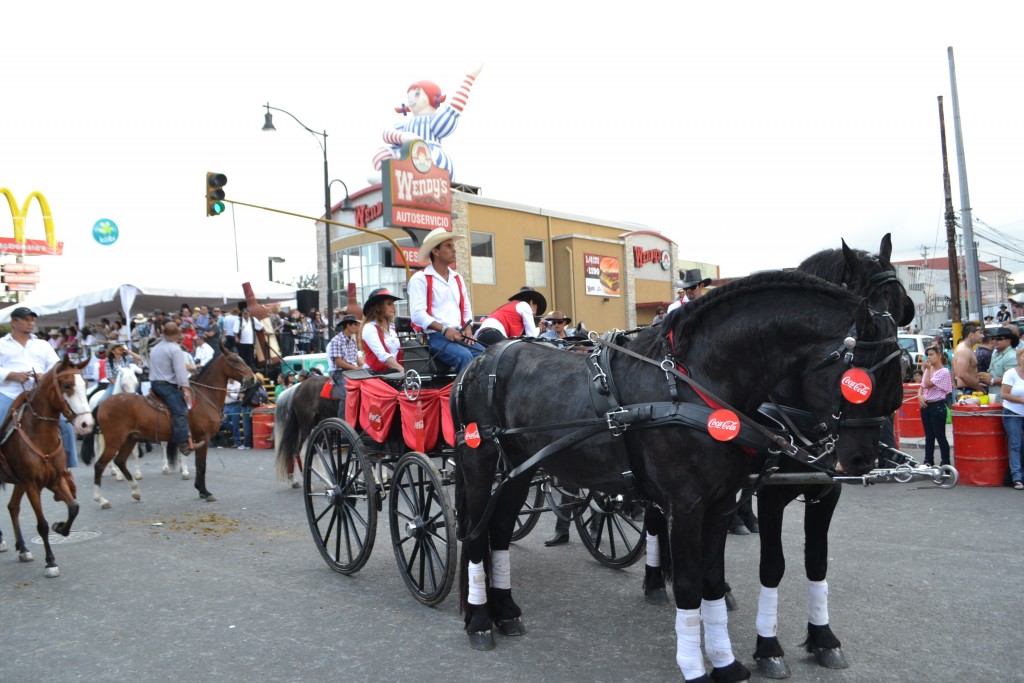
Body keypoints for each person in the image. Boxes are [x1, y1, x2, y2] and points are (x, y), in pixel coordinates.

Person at [371, 66, 482, 183]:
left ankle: (409, 178)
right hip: (406, 155)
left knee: (424, 156)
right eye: (409, 96)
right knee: (382, 151)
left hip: (430, 157)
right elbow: (386, 134)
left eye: (417, 94)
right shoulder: (404, 126)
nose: (411, 100)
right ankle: (389, 176)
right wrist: (403, 137)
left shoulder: (433, 121)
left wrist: (469, 79)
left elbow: (453, 110)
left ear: (430, 96)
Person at [0, 307, 79, 467]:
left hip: (40, 394)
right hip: (10, 392)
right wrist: (12, 375)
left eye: (32, 320)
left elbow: (56, 366)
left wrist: (45, 376)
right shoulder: (2, 344)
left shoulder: (42, 344)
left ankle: (66, 466)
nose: (31, 323)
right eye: (26, 320)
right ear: (14, 322)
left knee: (66, 424)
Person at [408, 228, 483, 374]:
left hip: (458, 333)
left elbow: (466, 309)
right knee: (464, 356)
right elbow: (417, 315)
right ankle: (463, 396)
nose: (454, 250)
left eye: (453, 246)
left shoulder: (458, 278)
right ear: (436, 251)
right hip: (434, 336)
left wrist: (468, 329)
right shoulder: (420, 279)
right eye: (449, 246)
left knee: (487, 355)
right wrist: (444, 329)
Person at [148, 322, 203, 456]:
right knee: (180, 411)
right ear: (177, 334)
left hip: (154, 383)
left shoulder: (155, 348)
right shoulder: (175, 349)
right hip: (166, 385)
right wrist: (186, 389)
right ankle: (183, 443)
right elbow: (180, 372)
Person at [917, 346, 953, 468]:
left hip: (937, 405)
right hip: (926, 405)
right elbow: (922, 385)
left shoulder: (944, 372)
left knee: (940, 436)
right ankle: (928, 461)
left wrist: (927, 370)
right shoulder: (929, 369)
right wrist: (919, 396)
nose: (929, 357)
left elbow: (928, 384)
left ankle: (946, 462)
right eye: (928, 355)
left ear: (939, 356)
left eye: (932, 354)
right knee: (929, 436)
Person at [476, 288, 546, 346]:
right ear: (531, 302)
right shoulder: (525, 305)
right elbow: (531, 335)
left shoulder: (510, 306)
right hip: (493, 333)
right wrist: (540, 330)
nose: (535, 313)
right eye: (537, 308)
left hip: (480, 335)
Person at [361, 289, 405, 373]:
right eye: (389, 304)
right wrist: (402, 370)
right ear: (378, 307)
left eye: (393, 303)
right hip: (374, 375)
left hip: (392, 374)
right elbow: (382, 355)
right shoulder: (369, 327)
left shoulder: (393, 327)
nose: (393, 306)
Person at [999, 344, 1024, 490]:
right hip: (1012, 412)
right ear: (1018, 359)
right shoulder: (1011, 374)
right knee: (1015, 444)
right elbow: (1004, 394)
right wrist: (1022, 400)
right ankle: (1016, 477)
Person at [326, 315, 361, 416]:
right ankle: (342, 422)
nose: (357, 327)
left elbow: (356, 357)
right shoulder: (336, 341)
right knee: (346, 395)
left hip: (352, 371)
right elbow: (338, 362)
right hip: (339, 372)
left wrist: (363, 367)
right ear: (348, 326)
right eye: (355, 324)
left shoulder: (353, 339)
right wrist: (355, 368)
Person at [985, 326, 1020, 404]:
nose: (995, 341)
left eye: (999, 338)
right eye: (993, 338)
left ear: (1008, 341)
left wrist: (991, 380)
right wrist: (984, 377)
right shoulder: (995, 353)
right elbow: (991, 372)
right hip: (994, 397)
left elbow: (1012, 380)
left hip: (1005, 401)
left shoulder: (1012, 356)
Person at [953, 323, 987, 396]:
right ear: (971, 335)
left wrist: (976, 383)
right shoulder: (964, 350)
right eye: (980, 333)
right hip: (967, 392)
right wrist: (977, 387)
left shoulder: (967, 348)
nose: (983, 336)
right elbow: (962, 374)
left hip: (968, 389)